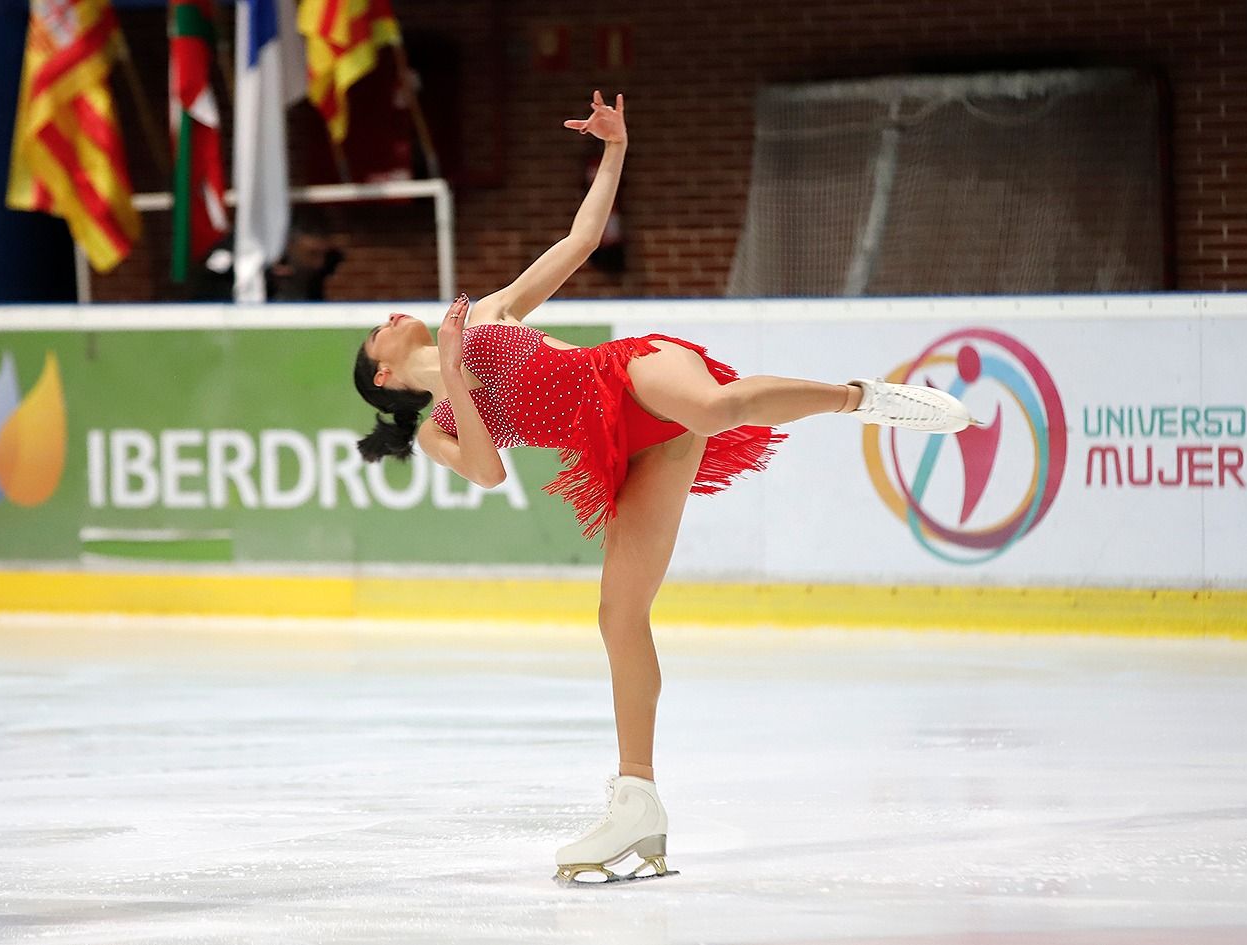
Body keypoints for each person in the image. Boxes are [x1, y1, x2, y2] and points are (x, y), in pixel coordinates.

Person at [351, 91, 973, 884]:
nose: (391, 314)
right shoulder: (440, 419)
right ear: (383, 372)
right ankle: (636, 799)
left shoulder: (489, 313)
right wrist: (458, 373)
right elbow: (486, 467)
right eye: (377, 326)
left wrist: (613, 149)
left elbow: (578, 243)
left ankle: (864, 398)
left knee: (713, 406)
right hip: (624, 454)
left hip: (631, 373)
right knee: (618, 614)